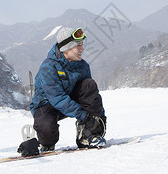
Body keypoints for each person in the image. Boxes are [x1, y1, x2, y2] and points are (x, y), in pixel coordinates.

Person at [18, 27, 106, 157]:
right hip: (46, 105)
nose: (82, 49)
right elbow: (57, 99)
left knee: (89, 85)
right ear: (66, 48)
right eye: (78, 46)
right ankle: (46, 143)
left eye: (82, 45)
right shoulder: (48, 67)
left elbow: (91, 95)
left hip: (69, 101)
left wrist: (98, 119)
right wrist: (84, 116)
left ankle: (88, 136)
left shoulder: (83, 66)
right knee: (46, 128)